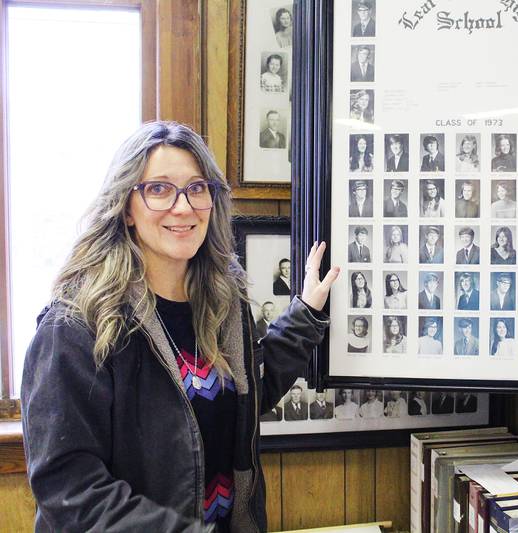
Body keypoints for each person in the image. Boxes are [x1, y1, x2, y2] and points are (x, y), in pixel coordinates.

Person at [21, 122, 339, 532]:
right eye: (158, 189)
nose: (184, 206)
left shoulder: (222, 301)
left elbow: (243, 399)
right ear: (125, 208)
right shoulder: (76, 325)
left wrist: (305, 315)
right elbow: (70, 488)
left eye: (196, 188)